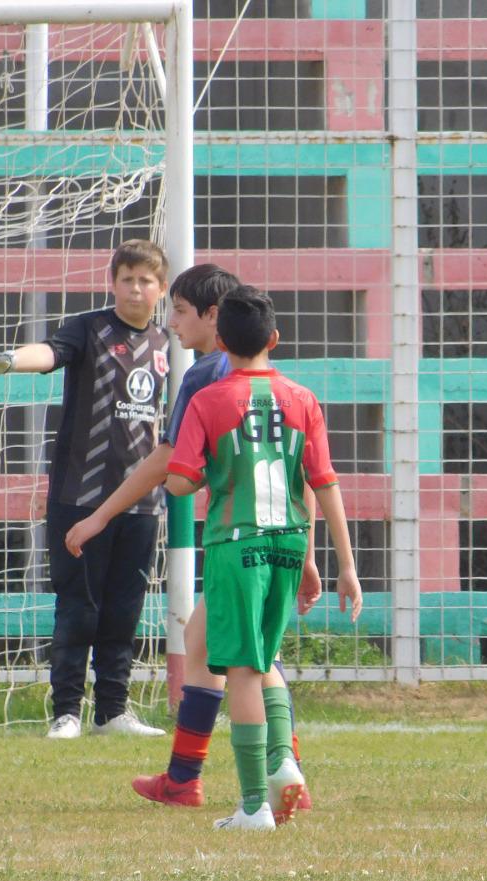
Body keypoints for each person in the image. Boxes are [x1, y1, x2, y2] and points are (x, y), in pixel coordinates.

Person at [64, 263, 321, 813]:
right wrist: (310, 554)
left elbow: (167, 463)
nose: (171, 322)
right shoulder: (275, 381)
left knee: (251, 659)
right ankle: (187, 777)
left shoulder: (209, 378)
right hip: (283, 537)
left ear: (213, 318)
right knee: (207, 648)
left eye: (179, 310)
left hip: (237, 541)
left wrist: (100, 515)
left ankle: (275, 771)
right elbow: (304, 475)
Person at [163, 286, 361, 830]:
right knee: (261, 657)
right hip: (290, 543)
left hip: (236, 544)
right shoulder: (303, 399)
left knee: (245, 671)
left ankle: (253, 806)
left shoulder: (208, 400)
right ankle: (282, 762)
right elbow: (323, 484)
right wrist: (343, 566)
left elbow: (179, 481)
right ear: (274, 340)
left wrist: (206, 470)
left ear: (221, 342)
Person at [0, 238, 169, 739]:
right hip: (79, 496)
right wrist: (10, 359)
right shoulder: (90, 329)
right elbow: (51, 354)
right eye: (126, 278)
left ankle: (113, 711)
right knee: (78, 607)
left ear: (160, 289)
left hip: (141, 501)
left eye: (145, 279)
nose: (134, 288)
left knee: (124, 608)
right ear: (112, 283)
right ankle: (66, 712)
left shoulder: (168, 344)